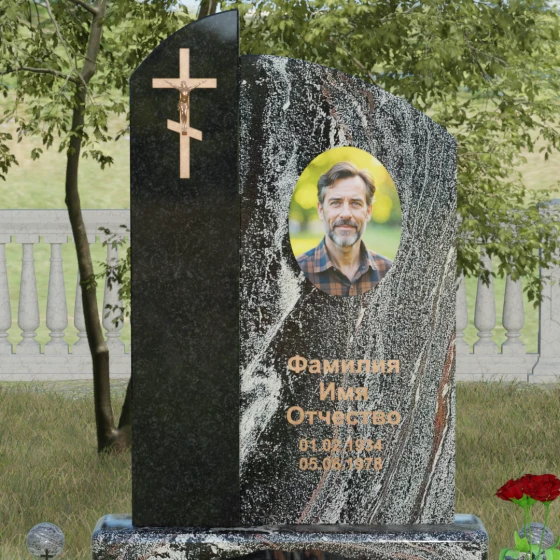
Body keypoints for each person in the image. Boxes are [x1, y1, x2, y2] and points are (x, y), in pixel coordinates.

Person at [296, 161, 392, 296]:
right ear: (321, 210)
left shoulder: (390, 272)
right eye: (336, 202)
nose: (346, 214)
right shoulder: (295, 272)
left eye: (355, 203)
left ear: (368, 212)